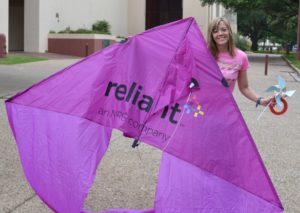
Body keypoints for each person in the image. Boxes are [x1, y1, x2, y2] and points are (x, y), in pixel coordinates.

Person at [207, 17, 273, 107]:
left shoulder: (241, 57)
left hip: (223, 108)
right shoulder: (204, 54)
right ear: (211, 35)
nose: (220, 33)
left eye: (223, 30)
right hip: (200, 107)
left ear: (229, 32)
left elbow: (244, 87)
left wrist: (261, 100)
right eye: (215, 31)